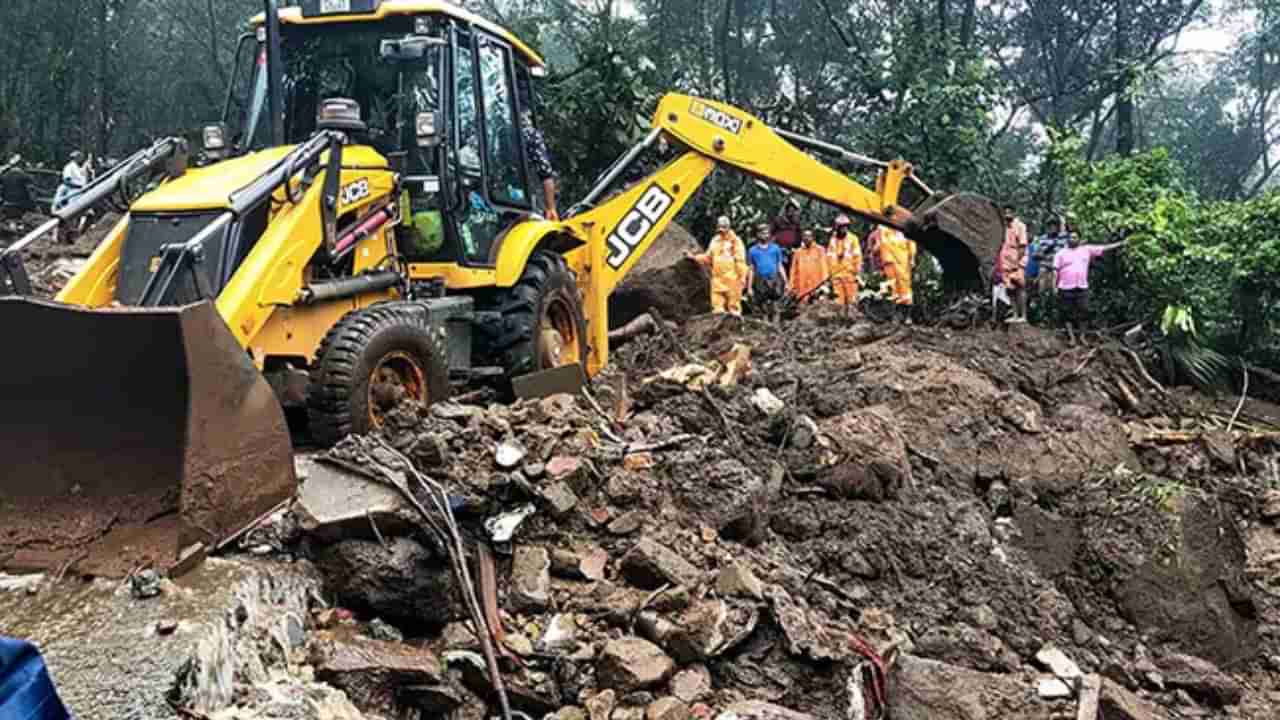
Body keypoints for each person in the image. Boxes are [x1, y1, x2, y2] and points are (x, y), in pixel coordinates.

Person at [1053, 232, 1126, 340]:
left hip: (1081, 286)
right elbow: (1055, 270)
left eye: (1075, 237)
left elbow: (1104, 248)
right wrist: (1054, 286)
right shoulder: (1060, 253)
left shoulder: (1086, 250)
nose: (1072, 239)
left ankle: (1082, 336)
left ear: (1079, 239)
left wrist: (1122, 243)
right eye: (1070, 237)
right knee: (1067, 313)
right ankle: (1071, 337)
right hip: (1065, 287)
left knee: (1084, 311)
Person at [690, 216, 748, 316]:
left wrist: (742, 278)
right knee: (717, 308)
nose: (722, 231)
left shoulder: (736, 241)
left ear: (729, 227)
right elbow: (708, 258)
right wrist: (694, 257)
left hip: (733, 280)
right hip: (717, 280)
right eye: (720, 228)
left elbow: (740, 261)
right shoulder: (715, 241)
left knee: (734, 309)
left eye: (724, 228)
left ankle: (735, 327)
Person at [522, 111, 559, 221]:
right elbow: (546, 174)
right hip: (527, 205)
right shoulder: (529, 134)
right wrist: (551, 208)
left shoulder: (498, 131)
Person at [877, 225, 916, 323]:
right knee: (892, 289)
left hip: (903, 264)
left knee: (905, 290)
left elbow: (911, 244)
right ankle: (894, 316)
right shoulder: (882, 228)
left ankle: (907, 316)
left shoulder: (904, 228)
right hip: (889, 263)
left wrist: (912, 258)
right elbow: (880, 245)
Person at [998, 205, 1029, 323]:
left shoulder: (1020, 226)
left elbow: (1022, 245)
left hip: (1016, 261)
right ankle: (1015, 315)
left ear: (1014, 213)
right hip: (1005, 261)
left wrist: (1016, 262)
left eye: (1009, 212)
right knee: (1010, 289)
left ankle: (1023, 316)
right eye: (1005, 212)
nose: (1007, 214)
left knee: (1020, 287)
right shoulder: (1002, 227)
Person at [827, 215, 862, 314]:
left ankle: (853, 324)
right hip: (836, 276)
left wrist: (856, 272)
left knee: (852, 301)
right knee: (838, 302)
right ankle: (840, 323)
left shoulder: (853, 239)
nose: (844, 229)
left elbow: (857, 256)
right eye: (841, 227)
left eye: (845, 227)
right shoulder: (832, 240)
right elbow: (829, 258)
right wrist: (830, 274)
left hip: (849, 275)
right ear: (837, 227)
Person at [747, 222, 787, 304]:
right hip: (760, 281)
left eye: (767, 233)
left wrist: (786, 282)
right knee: (762, 304)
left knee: (776, 303)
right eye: (763, 233)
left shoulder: (775, 248)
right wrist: (749, 287)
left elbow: (780, 266)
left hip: (774, 279)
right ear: (758, 234)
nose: (765, 235)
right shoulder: (752, 250)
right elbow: (751, 269)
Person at [789, 229, 828, 303]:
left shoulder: (820, 250)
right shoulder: (798, 252)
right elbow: (793, 270)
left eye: (809, 236)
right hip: (802, 288)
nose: (806, 238)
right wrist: (792, 286)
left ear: (813, 237)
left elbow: (824, 268)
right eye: (804, 236)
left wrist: (824, 284)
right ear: (802, 238)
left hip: (816, 287)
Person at [0, 155, 34, 226]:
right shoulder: (25, 176)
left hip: (7, 204)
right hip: (21, 205)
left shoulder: (4, 176)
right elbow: (31, 192)